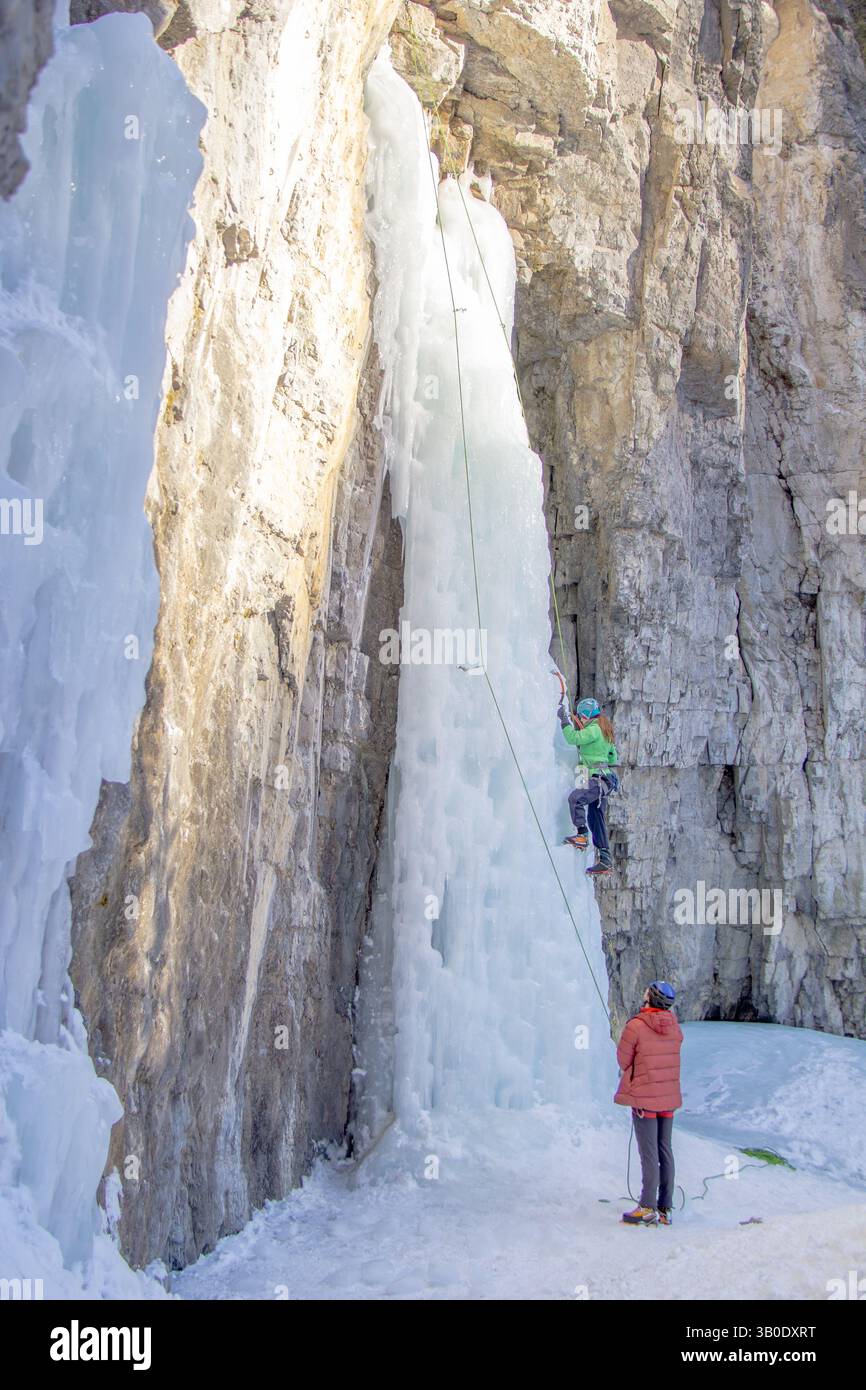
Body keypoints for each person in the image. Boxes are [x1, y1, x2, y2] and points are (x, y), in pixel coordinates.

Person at [614, 980, 683, 1226]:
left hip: (645, 1098)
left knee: (649, 1153)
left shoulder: (636, 1026)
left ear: (650, 998)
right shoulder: (674, 1027)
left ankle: (647, 1206)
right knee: (665, 1150)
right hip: (668, 1098)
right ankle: (665, 1208)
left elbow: (623, 1060)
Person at [557, 694, 619, 876]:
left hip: (597, 779)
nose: (581, 720)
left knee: (575, 798)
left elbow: (573, 738)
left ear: (585, 715)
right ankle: (605, 860)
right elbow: (613, 757)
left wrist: (564, 721)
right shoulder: (605, 731)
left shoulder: (594, 729)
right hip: (605, 779)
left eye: (581, 717)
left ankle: (582, 835)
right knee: (596, 818)